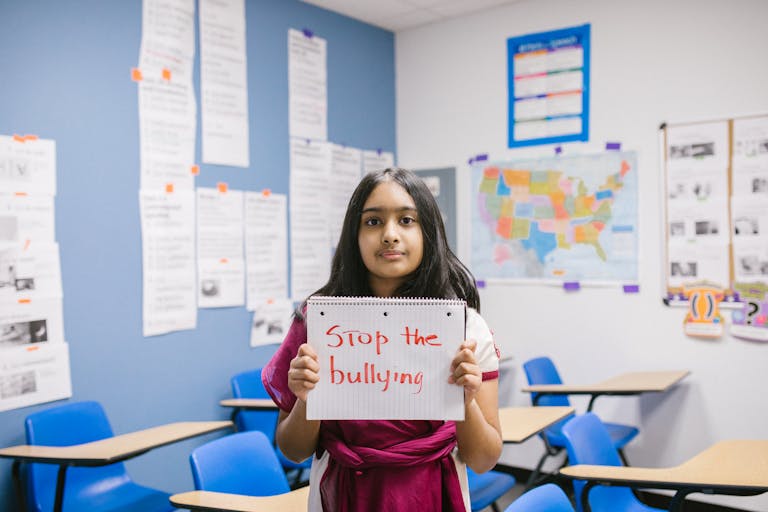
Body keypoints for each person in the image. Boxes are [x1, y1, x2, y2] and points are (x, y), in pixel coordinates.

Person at [262, 168, 502, 511]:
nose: (390, 235)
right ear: (354, 234)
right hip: (340, 496)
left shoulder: (466, 329)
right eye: (373, 222)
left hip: (433, 496)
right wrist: (306, 400)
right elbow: (293, 450)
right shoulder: (317, 322)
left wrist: (466, 401)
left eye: (407, 220)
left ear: (429, 232)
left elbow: (484, 459)